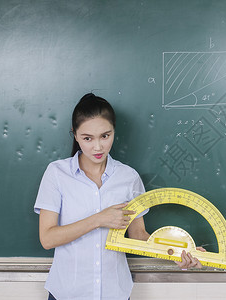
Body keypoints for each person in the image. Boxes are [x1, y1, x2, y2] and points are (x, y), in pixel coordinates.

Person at [34, 93, 203, 300]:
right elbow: (48, 238)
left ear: (114, 132)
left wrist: (177, 252)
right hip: (67, 293)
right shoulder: (57, 174)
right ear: (75, 135)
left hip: (115, 293)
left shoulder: (128, 177)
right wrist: (98, 219)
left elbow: (139, 236)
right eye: (88, 138)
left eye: (105, 136)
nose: (98, 147)